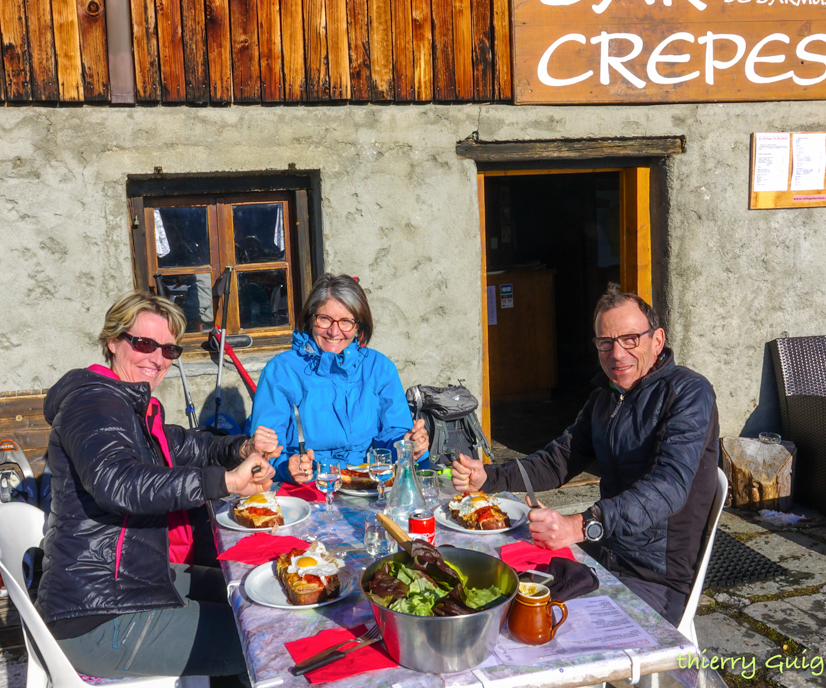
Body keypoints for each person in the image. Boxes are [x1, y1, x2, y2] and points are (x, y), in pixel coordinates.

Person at [37, 290, 278, 683]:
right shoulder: (94, 402)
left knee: (249, 590)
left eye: (169, 350)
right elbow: (118, 482)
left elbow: (188, 444)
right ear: (113, 342)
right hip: (98, 614)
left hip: (131, 580)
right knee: (263, 640)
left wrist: (242, 447)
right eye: (144, 344)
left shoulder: (129, 405)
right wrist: (226, 482)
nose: (157, 359)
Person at [453, 284, 719, 625]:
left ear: (657, 340)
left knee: (538, 626)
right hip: (605, 555)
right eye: (605, 344)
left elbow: (668, 487)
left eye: (630, 339)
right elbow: (559, 460)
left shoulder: (688, 393)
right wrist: (488, 477)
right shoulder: (606, 398)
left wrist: (582, 525)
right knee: (486, 588)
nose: (617, 354)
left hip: (656, 578)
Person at [249, 273, 429, 483]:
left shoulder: (379, 368)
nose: (334, 332)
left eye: (345, 322)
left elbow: (394, 433)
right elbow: (264, 449)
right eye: (324, 319)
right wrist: (285, 466)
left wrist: (408, 444)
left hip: (366, 483)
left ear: (359, 327)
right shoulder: (281, 371)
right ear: (310, 318)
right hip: (306, 489)